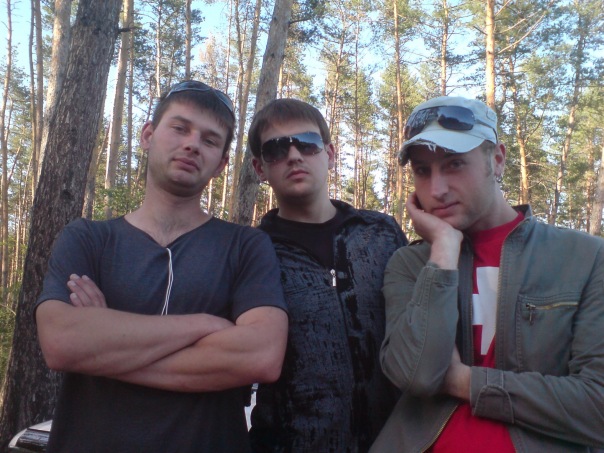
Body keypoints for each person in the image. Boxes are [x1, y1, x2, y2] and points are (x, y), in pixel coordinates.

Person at [35, 80, 289, 453]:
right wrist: (206, 325)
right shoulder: (88, 239)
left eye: (210, 140)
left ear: (221, 164)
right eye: (180, 128)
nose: (192, 144)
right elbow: (61, 342)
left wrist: (103, 344)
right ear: (148, 135)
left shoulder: (246, 246)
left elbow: (261, 356)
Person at [371, 96, 604, 452]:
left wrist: (464, 381)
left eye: (454, 164)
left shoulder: (584, 257)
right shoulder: (409, 264)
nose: (437, 190)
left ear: (497, 159)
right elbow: (418, 375)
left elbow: (597, 406)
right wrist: (444, 249)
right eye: (422, 171)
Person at [247, 98, 408, 452]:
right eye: (276, 149)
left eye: (307, 143)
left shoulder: (381, 234)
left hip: (397, 442)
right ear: (260, 168)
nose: (294, 156)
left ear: (330, 154)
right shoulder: (251, 253)